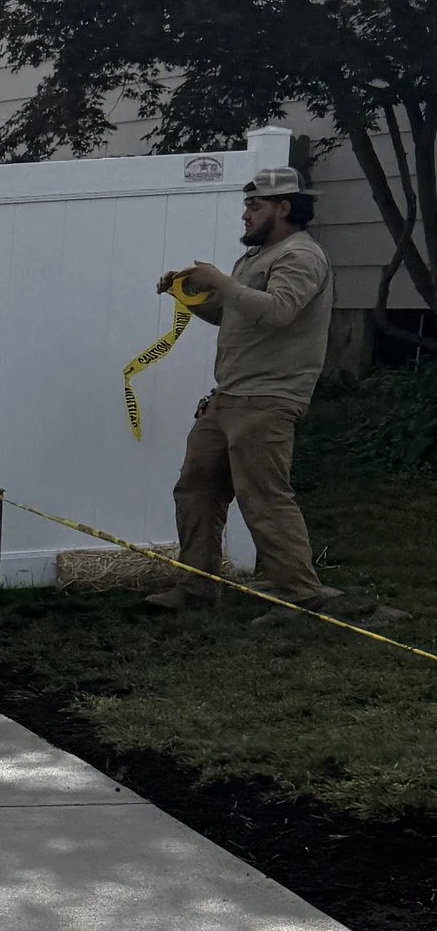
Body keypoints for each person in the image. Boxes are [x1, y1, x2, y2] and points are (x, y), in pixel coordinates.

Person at [159, 167, 335, 607]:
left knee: (264, 498)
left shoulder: (301, 256)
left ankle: (299, 596)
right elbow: (228, 313)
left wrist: (222, 281)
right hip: (228, 397)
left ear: (284, 208)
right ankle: (195, 586)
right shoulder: (255, 259)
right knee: (196, 486)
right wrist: (187, 295)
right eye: (245, 205)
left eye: (254, 206)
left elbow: (277, 312)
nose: (245, 215)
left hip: (269, 399)